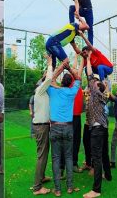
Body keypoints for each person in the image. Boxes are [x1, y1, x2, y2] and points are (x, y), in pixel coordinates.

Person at [47, 63, 82, 196]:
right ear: (70, 83)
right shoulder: (72, 91)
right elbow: (78, 79)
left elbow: (49, 80)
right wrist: (68, 69)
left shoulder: (53, 90)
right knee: (68, 157)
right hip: (68, 127)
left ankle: (57, 189)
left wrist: (60, 68)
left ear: (61, 81)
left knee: (56, 158)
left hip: (55, 127)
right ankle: (69, 187)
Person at [83, 52, 110, 198]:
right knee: (102, 154)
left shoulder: (95, 92)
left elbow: (88, 74)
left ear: (96, 88)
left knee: (97, 158)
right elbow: (91, 77)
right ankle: (108, 176)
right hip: (103, 128)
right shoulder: (100, 95)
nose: (92, 82)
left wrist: (88, 59)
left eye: (94, 83)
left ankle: (96, 190)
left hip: (97, 129)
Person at [32, 56, 55, 195]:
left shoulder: (43, 92)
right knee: (42, 156)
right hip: (41, 126)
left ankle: (41, 177)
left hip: (43, 126)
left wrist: (61, 67)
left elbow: (50, 79)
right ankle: (37, 187)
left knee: (44, 154)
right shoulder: (40, 90)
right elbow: (48, 79)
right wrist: (50, 64)